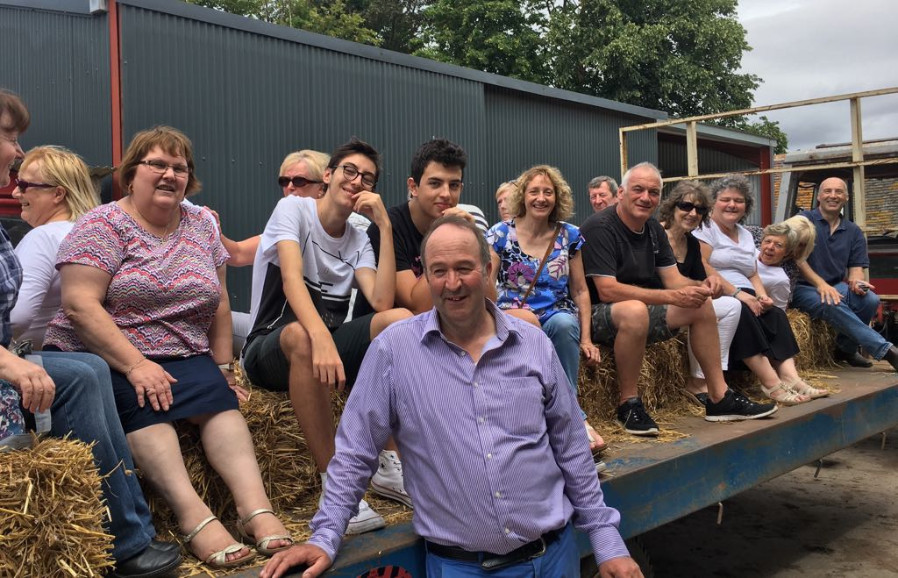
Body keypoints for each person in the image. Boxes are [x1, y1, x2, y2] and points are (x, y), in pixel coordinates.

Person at [259, 215, 643, 578]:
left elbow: (571, 446)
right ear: (425, 276)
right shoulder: (393, 352)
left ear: (488, 270)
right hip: (459, 568)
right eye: (438, 271)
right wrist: (325, 536)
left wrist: (607, 543)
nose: (452, 283)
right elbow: (356, 453)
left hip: (550, 561)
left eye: (464, 268)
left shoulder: (532, 344)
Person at [44, 126, 291, 569]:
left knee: (219, 404)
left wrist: (223, 366)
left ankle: (256, 510)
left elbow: (218, 301)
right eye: (156, 164)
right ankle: (193, 515)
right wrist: (136, 365)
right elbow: (80, 305)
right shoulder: (102, 224)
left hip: (181, 349)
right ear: (131, 173)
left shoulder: (201, 224)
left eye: (180, 167)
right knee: (145, 401)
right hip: (108, 350)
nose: (169, 174)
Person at [0, 89, 182, 577]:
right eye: (9, 137)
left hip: (28, 354)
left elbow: (18, 318)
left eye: (29, 183)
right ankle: (128, 539)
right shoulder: (89, 228)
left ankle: (126, 536)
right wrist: (10, 359)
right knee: (83, 371)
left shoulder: (40, 236)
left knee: (87, 367)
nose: (16, 160)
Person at [241, 137, 413, 534]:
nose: (356, 181)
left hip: (323, 344)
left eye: (367, 177)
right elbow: (289, 279)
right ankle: (335, 488)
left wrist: (384, 226)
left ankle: (391, 463)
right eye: (349, 171)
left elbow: (383, 299)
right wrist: (321, 338)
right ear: (329, 176)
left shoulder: (358, 236)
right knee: (302, 334)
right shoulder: (294, 209)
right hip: (270, 346)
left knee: (399, 320)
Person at [580, 162, 777, 436]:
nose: (645, 197)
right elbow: (607, 290)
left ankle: (719, 397)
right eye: (638, 190)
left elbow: (674, 280)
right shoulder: (601, 227)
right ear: (622, 192)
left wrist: (703, 285)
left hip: (640, 308)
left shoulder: (653, 228)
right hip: (597, 315)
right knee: (635, 310)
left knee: (701, 304)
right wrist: (672, 296)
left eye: (653, 191)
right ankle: (629, 404)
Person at [487, 165, 606, 453]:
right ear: (522, 197)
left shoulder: (569, 235)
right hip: (512, 314)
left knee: (564, 325)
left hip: (555, 313)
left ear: (558, 198)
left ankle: (572, 414)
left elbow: (579, 290)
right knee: (528, 323)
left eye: (548, 192)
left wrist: (587, 339)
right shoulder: (500, 235)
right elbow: (487, 285)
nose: (541, 198)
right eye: (534, 192)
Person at [692, 174, 825, 404]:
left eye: (739, 200)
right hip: (718, 292)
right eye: (726, 199)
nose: (732, 205)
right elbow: (702, 265)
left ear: (746, 206)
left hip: (745, 293)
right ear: (713, 202)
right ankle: (770, 383)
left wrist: (762, 295)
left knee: (775, 315)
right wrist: (739, 294)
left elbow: (752, 272)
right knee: (743, 311)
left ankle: (791, 377)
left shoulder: (744, 234)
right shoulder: (706, 229)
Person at [791, 177, 898, 371]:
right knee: (831, 300)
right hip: (801, 287)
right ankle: (887, 352)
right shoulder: (803, 221)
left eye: (838, 192)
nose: (833, 196)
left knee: (870, 300)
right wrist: (820, 285)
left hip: (834, 285)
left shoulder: (853, 231)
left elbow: (856, 268)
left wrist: (857, 283)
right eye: (828, 191)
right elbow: (798, 260)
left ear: (846, 197)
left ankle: (845, 349)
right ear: (819, 197)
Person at [657, 180, 742, 406]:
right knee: (704, 307)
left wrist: (711, 283)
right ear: (672, 207)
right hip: (659, 304)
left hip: (686, 304)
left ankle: (705, 379)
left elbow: (697, 281)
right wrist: (700, 286)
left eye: (700, 210)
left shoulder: (693, 244)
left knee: (733, 306)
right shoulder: (656, 235)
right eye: (686, 206)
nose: (693, 213)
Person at [10, 146, 99, 349]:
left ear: (58, 194)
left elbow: (16, 316)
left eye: (23, 185)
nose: (15, 193)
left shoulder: (43, 238)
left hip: (42, 359)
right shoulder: (94, 235)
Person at [219, 149, 330, 267]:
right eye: (284, 181)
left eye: (299, 181)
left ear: (322, 188)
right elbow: (238, 254)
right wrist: (211, 227)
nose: (290, 187)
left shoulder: (347, 225)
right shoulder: (285, 225)